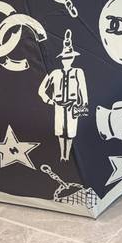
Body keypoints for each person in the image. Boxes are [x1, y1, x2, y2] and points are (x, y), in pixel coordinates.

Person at [38, 30, 88, 161]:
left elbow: (83, 90)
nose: (67, 60)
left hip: (72, 105)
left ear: (73, 58)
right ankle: (62, 155)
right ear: (61, 59)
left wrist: (82, 106)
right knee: (60, 131)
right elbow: (41, 90)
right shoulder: (55, 73)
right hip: (59, 105)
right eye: (65, 58)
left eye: (69, 57)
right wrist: (49, 101)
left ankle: (68, 154)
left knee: (71, 131)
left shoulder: (78, 72)